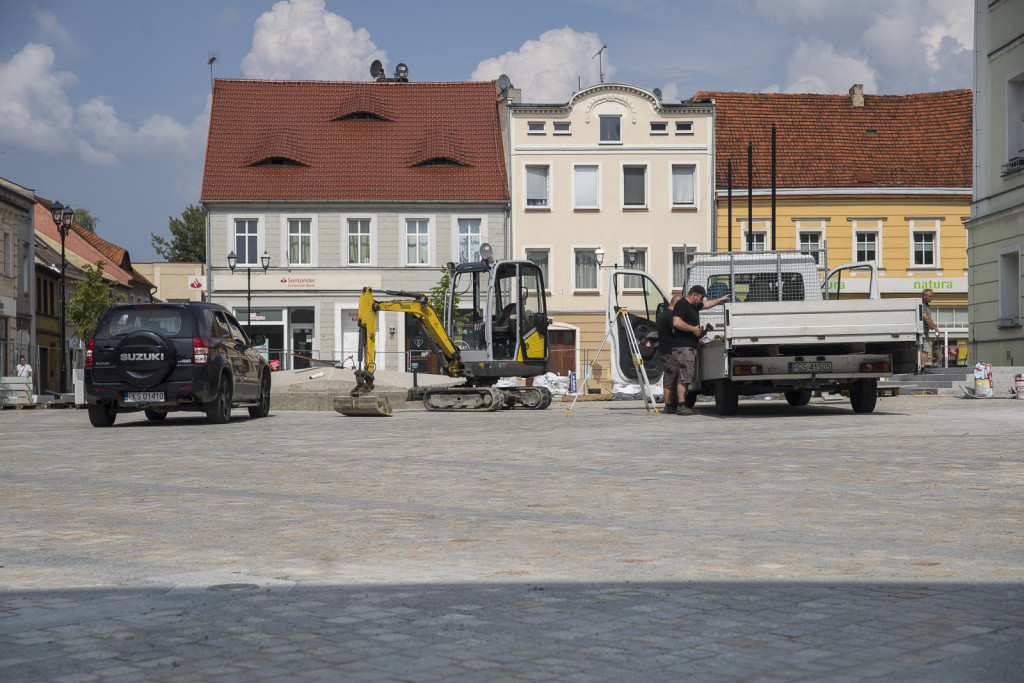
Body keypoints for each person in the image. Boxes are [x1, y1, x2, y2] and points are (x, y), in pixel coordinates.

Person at [672, 285, 729, 415]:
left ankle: (683, 404)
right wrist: (692, 329)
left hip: (689, 346)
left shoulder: (693, 305)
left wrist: (720, 300)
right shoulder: (682, 304)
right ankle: (681, 406)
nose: (702, 300)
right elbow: (676, 322)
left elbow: (707, 304)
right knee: (684, 377)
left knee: (687, 376)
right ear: (694, 295)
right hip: (683, 346)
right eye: (701, 297)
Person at [656, 294, 683, 414]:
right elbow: (675, 331)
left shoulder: (666, 313)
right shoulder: (670, 315)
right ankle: (668, 405)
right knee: (669, 377)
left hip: (666, 351)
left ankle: (672, 403)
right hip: (668, 352)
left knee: (672, 377)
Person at [920, 288, 941, 368]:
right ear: (924, 296)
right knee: (924, 348)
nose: (931, 298)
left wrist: (931, 327)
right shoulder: (921, 305)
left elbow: (928, 319)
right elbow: (925, 317)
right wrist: (935, 328)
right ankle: (920, 367)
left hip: (925, 331)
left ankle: (922, 367)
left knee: (926, 348)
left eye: (932, 296)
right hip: (921, 331)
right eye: (930, 296)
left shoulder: (927, 305)